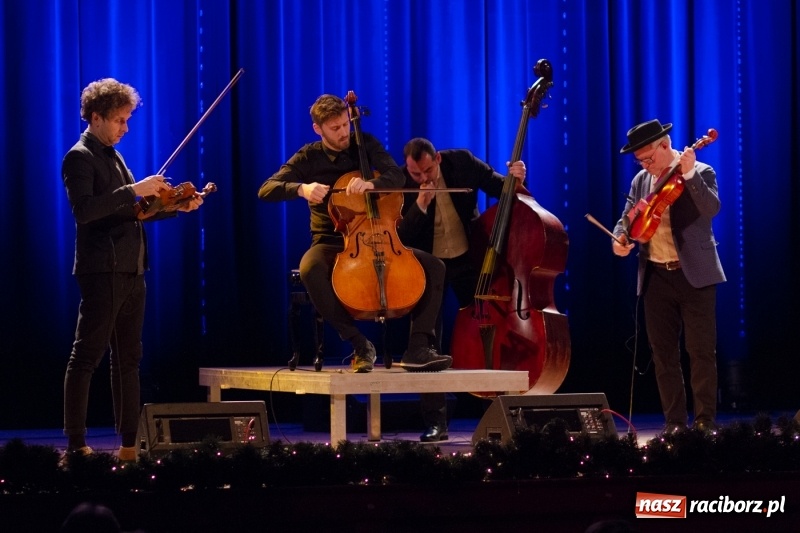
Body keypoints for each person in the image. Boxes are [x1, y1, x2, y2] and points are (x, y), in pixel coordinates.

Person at [61, 78, 203, 464]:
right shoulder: (79, 157)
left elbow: (133, 213)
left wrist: (176, 206)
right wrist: (135, 189)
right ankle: (76, 444)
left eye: (127, 120)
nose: (125, 128)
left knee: (128, 360)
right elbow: (85, 211)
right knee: (86, 356)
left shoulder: (114, 156)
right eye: (119, 120)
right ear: (96, 117)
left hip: (131, 269)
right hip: (102, 270)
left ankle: (128, 446)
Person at [257, 95, 452, 375]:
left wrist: (372, 184)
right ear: (318, 129)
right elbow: (266, 189)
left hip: (379, 236)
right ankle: (360, 344)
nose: (343, 133)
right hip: (331, 240)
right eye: (335, 128)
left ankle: (418, 348)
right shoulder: (309, 157)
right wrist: (302, 189)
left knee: (435, 266)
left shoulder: (365, 144)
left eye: (345, 124)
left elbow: (396, 177)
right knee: (310, 268)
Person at [396, 137, 526, 442]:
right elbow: (401, 237)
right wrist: (420, 204)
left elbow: (501, 188)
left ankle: (499, 415)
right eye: (416, 173)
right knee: (426, 344)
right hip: (429, 267)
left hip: (470, 260)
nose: (423, 178)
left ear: (438, 159)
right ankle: (436, 423)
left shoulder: (462, 163)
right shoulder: (401, 182)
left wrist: (516, 178)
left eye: (427, 171)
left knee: (489, 333)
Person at [612, 119, 725, 435]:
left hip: (694, 274)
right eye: (640, 161)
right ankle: (674, 423)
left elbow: (712, 208)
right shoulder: (641, 180)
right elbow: (627, 217)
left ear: (665, 145)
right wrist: (620, 237)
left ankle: (704, 422)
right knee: (663, 354)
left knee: (701, 351)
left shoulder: (701, 171)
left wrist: (688, 175)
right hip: (656, 276)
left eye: (648, 159)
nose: (645, 166)